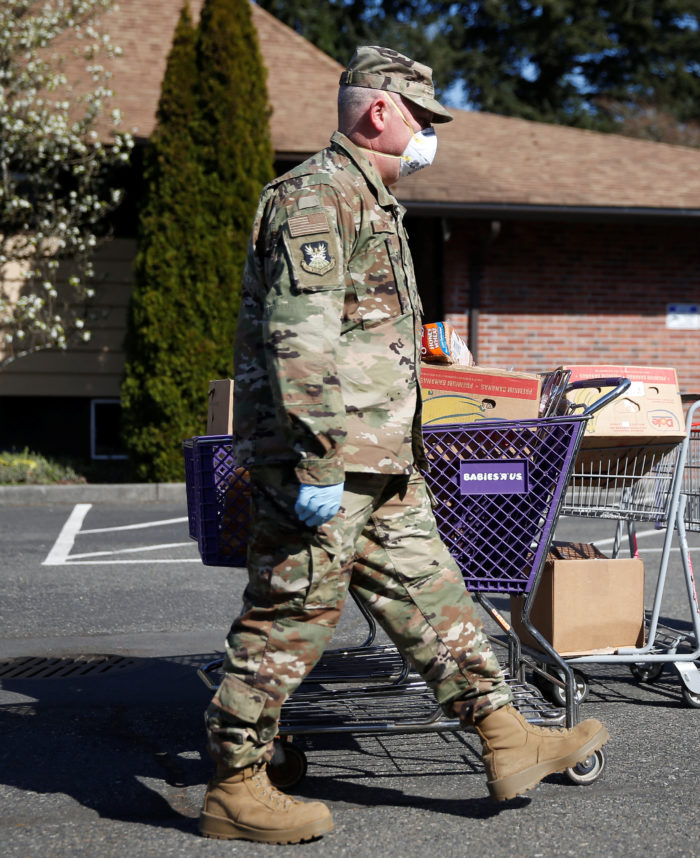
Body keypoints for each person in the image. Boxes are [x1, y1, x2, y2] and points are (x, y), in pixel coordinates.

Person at [199, 46, 609, 845]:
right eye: (422, 118)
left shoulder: (374, 201)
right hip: (325, 464)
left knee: (435, 598)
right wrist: (316, 462)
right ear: (380, 111)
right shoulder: (314, 199)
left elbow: (361, 334)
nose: (428, 135)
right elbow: (301, 344)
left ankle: (505, 737)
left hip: (383, 460)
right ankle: (235, 786)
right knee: (292, 619)